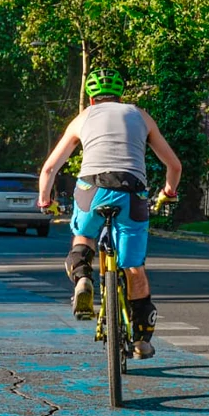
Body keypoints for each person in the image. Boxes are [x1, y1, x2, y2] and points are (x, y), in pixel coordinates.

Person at [37, 68, 182, 359]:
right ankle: (141, 340)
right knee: (134, 267)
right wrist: (168, 192)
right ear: (120, 96)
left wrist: (45, 201)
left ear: (91, 98)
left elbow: (50, 168)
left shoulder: (82, 118)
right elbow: (174, 166)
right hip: (132, 191)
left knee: (83, 236)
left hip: (92, 189)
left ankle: (83, 279)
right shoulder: (140, 115)